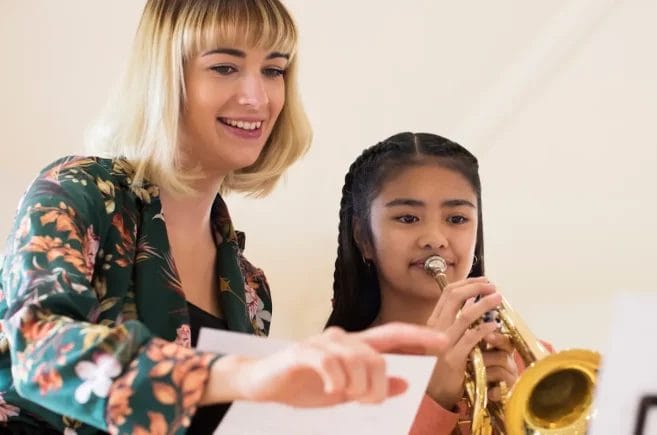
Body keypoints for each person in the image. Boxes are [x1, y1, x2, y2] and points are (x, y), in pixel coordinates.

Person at [0, 3, 446, 434]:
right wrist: (246, 374)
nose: (256, 97)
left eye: (273, 70)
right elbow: (39, 348)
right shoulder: (76, 191)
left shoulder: (252, 288)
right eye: (225, 67)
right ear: (166, 78)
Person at [326, 132, 553, 434]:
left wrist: (523, 417)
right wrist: (434, 399)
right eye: (407, 218)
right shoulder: (329, 376)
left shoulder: (533, 361)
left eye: (457, 219)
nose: (435, 238)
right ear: (362, 237)